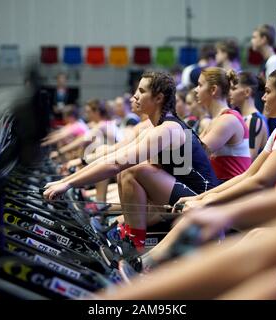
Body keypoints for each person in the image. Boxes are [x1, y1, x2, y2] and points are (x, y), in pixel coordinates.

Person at [97, 157, 276, 299]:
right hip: (231, 203)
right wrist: (223, 212)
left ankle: (143, 266)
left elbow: (259, 182)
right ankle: (142, 264)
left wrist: (212, 205)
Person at [43, 71, 220, 251]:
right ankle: (128, 233)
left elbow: (116, 164)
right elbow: (111, 158)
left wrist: (68, 184)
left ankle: (135, 245)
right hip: (183, 196)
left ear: (158, 98)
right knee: (131, 168)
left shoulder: (167, 129)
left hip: (201, 200)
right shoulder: (157, 127)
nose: (135, 95)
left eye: (142, 91)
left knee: (132, 170)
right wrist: (65, 181)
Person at [176, 65, 276, 211]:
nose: (263, 98)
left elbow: (260, 181)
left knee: (208, 214)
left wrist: (205, 202)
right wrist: (200, 198)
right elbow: (248, 175)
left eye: (267, 91)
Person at [196, 67, 252, 181]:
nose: (196, 90)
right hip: (222, 186)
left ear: (213, 90)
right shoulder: (217, 119)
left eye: (200, 85)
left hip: (234, 191)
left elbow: (193, 154)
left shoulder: (228, 119)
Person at [229, 72, 269, 160]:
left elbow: (248, 159)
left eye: (233, 88)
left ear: (247, 92)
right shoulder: (244, 118)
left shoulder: (254, 120)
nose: (229, 93)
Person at [251, 24, 276, 133]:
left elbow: (271, 91)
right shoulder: (266, 61)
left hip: (269, 118)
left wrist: (264, 119)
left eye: (254, 37)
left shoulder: (273, 61)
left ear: (264, 39)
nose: (252, 41)